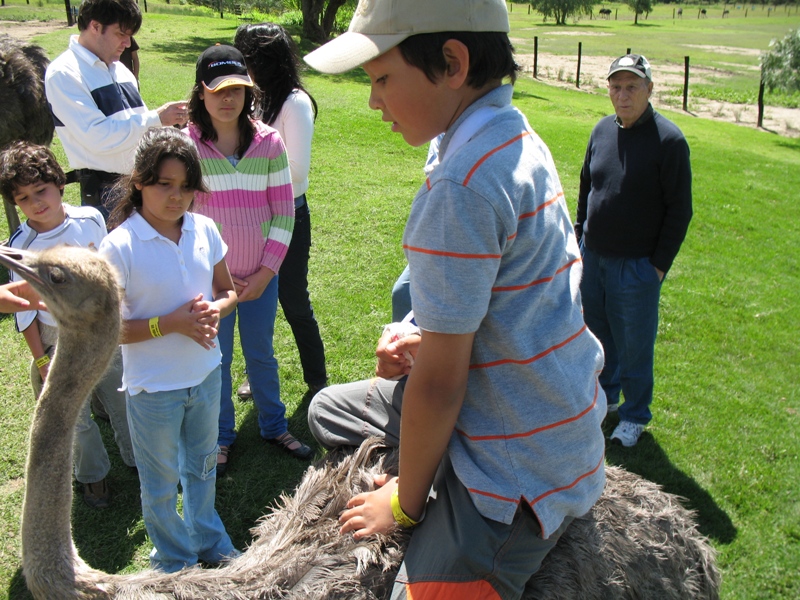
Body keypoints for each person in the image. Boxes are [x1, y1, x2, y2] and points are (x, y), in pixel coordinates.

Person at [303, 1, 607, 597]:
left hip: (518, 459)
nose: (373, 101)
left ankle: (446, 488)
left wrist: (405, 504)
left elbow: (441, 386)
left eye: (382, 79)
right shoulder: (503, 134)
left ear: (451, 62)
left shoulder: (462, 184)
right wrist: (422, 333)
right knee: (325, 410)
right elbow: (505, 299)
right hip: (539, 399)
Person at [99, 127, 239, 572]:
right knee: (160, 484)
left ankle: (210, 541)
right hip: (153, 388)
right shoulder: (119, 246)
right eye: (164, 185)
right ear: (138, 181)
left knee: (201, 470)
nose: (177, 197)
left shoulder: (205, 229)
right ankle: (174, 560)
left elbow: (227, 291)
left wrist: (215, 310)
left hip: (205, 374)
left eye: (185, 187)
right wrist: (171, 323)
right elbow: (109, 329)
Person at [185, 44, 313, 474]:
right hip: (210, 280)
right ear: (200, 92)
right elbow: (181, 220)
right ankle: (221, 437)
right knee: (215, 359)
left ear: (249, 92)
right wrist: (212, 276)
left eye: (237, 89)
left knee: (261, 352)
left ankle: (273, 424)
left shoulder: (270, 142)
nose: (228, 99)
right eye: (218, 89)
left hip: (260, 277)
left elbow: (284, 212)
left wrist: (265, 272)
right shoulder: (188, 146)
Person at [0, 141, 136, 509]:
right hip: (54, 334)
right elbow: (24, 310)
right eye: (24, 197)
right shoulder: (21, 245)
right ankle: (93, 477)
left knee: (121, 394)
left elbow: (110, 275)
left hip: (98, 328)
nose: (36, 202)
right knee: (71, 415)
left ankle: (136, 459)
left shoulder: (90, 218)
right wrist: (41, 361)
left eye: (41, 190)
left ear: (60, 184)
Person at [575, 54, 693, 448]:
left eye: (631, 87)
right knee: (598, 336)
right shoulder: (601, 131)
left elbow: (680, 210)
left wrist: (657, 268)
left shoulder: (669, 141)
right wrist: (579, 239)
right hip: (594, 258)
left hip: (637, 267)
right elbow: (586, 189)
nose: (622, 96)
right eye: (615, 87)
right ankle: (606, 396)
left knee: (635, 345)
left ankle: (635, 414)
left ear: (649, 89)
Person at [233, 22, 328, 400]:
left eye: (245, 59)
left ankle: (317, 380)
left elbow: (298, 176)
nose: (240, 68)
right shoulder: (254, 99)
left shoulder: (294, 102)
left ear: (263, 59)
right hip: (252, 219)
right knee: (255, 301)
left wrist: (245, 173)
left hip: (288, 216)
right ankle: (257, 375)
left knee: (292, 300)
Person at [44, 0, 187, 220]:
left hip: (141, 185)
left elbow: (139, 129)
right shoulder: (64, 74)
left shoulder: (121, 70)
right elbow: (97, 137)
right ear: (95, 26)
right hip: (106, 194)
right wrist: (156, 119)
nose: (128, 43)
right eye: (121, 34)